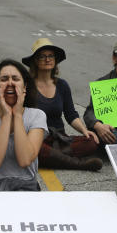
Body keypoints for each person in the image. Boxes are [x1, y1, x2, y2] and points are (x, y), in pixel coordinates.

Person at [22, 38, 102, 171]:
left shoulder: (62, 85)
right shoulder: (27, 86)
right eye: (42, 56)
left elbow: (71, 114)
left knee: (92, 143)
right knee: (32, 147)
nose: (47, 59)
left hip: (60, 138)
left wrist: (84, 130)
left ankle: (52, 158)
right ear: (35, 61)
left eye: (50, 56)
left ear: (55, 60)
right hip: (37, 138)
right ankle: (78, 164)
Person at [0, 59, 47, 191]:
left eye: (16, 79)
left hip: (27, 187)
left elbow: (24, 160)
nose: (10, 83)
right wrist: (7, 116)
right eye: (4, 79)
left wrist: (17, 115)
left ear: (25, 87)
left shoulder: (37, 115)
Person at [83, 39, 117, 145]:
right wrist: (98, 125)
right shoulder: (102, 84)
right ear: (114, 58)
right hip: (112, 132)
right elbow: (89, 113)